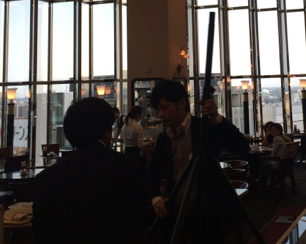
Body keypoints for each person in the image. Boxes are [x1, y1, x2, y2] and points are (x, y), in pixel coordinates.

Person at [32, 98, 147, 243]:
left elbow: (41, 232)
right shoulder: (130, 168)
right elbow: (139, 222)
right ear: (106, 133)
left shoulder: (46, 179)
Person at [147, 79, 249, 240]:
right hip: (176, 217)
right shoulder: (164, 139)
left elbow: (242, 148)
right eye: (158, 109)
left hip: (208, 216)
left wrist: (216, 117)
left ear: (182, 103)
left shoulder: (204, 129)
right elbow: (152, 174)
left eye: (164, 107)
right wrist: (156, 199)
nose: (161, 114)